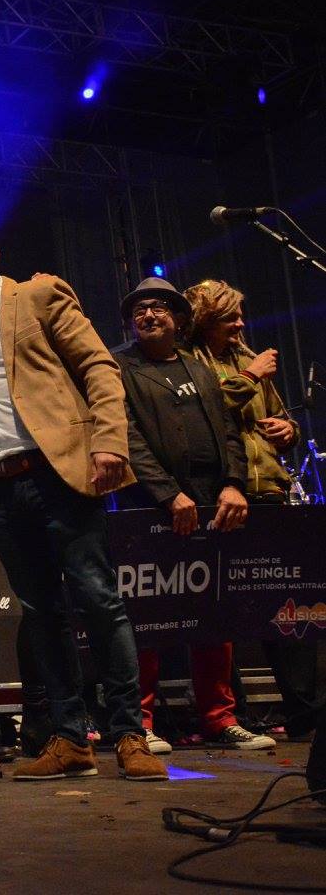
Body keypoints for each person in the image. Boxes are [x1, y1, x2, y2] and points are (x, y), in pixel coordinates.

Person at [0, 216, 167, 781]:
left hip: (60, 473)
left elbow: (98, 365)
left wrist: (109, 441)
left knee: (99, 601)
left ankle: (130, 734)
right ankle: (69, 737)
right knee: (40, 615)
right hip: (2, 485)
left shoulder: (36, 295)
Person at [114, 277, 275, 752]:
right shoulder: (119, 367)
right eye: (140, 309)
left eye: (159, 308)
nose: (149, 315)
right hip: (150, 504)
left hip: (210, 501)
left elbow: (229, 432)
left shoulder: (200, 370)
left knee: (214, 613)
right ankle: (140, 723)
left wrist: (233, 484)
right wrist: (168, 495)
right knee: (146, 616)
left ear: (179, 318)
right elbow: (126, 436)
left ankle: (219, 718)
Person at [185, 278, 319, 742]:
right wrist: (252, 377)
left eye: (240, 316)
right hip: (223, 493)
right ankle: (230, 716)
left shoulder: (246, 359)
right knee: (220, 614)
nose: (241, 324)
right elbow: (205, 412)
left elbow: (280, 417)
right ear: (206, 321)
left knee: (288, 610)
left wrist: (288, 430)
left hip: (270, 491)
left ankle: (305, 716)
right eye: (230, 317)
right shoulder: (188, 362)